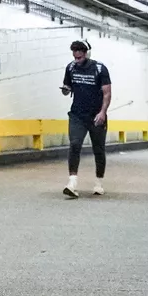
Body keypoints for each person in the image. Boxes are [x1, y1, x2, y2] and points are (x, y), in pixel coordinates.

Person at [60, 39, 111, 199]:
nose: (77, 61)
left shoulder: (99, 69)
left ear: (86, 54)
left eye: (80, 58)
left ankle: (98, 183)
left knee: (98, 149)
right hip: (77, 115)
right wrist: (66, 90)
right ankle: (72, 183)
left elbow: (107, 93)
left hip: (96, 115)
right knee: (75, 145)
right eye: (75, 57)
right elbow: (67, 88)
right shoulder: (70, 67)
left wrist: (102, 112)